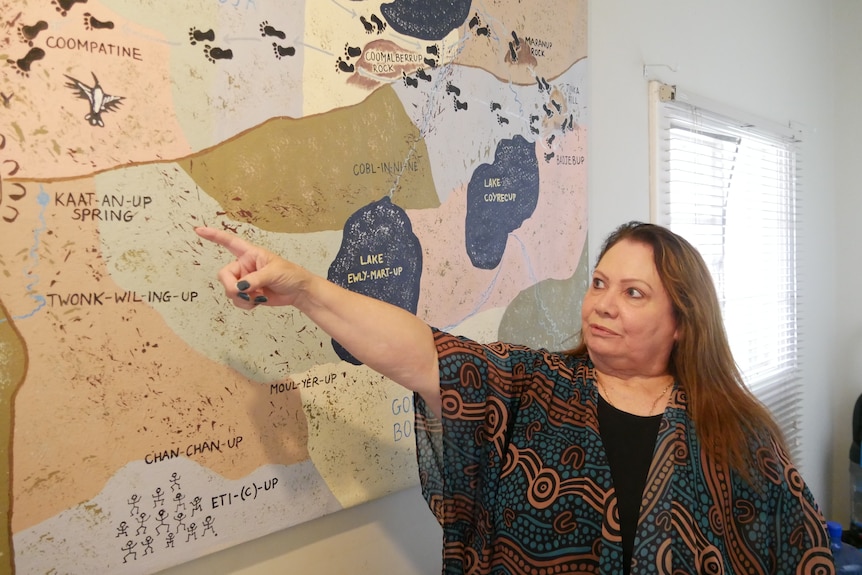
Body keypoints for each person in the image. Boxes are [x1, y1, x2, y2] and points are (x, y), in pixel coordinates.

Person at [195, 221, 834, 574]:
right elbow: (423, 352)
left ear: (682, 322)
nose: (604, 304)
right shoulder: (534, 388)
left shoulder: (736, 433)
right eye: (601, 282)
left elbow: (797, 551)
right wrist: (306, 289)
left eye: (634, 294)